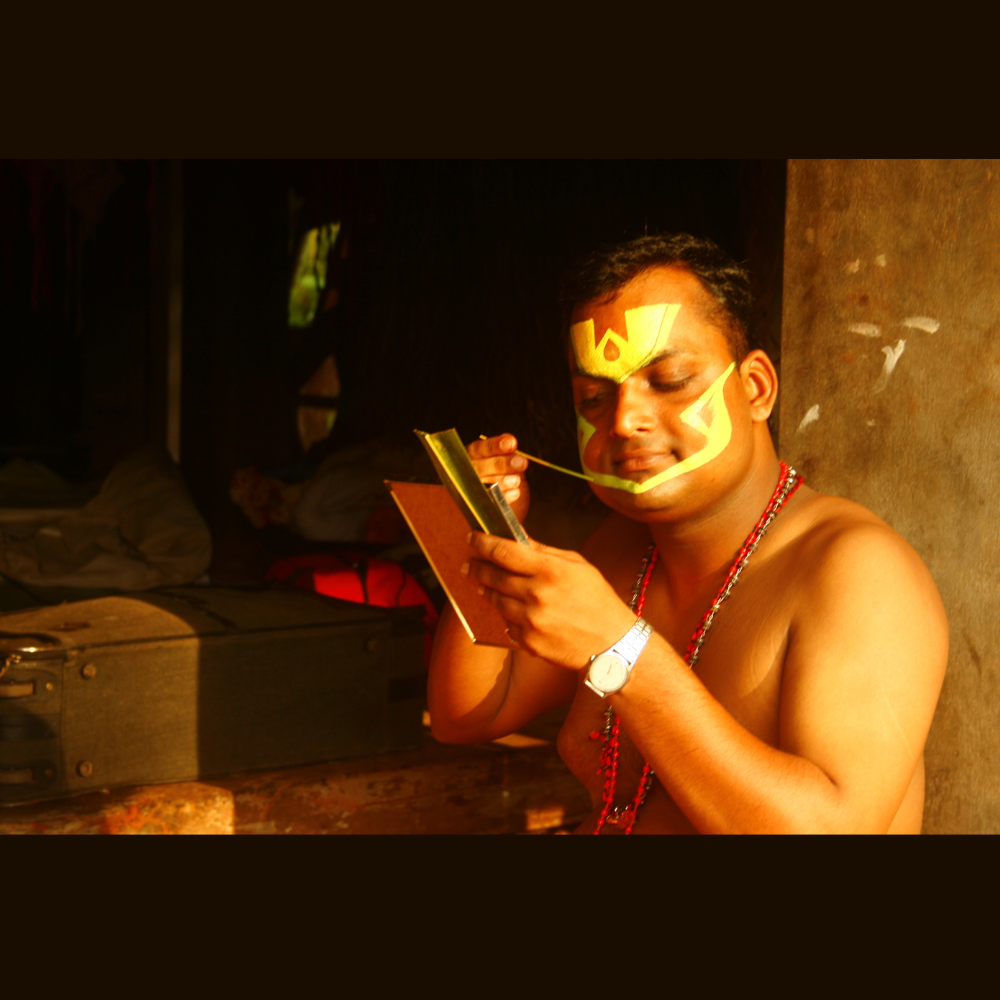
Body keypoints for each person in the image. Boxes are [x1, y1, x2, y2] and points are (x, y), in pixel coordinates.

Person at [426, 234, 948, 834]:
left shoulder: (858, 570)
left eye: (669, 381)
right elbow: (465, 715)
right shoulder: (621, 553)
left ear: (755, 389)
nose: (624, 420)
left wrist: (620, 646)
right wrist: (483, 531)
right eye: (594, 398)